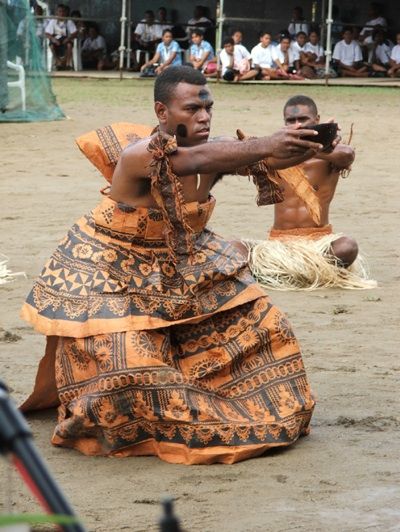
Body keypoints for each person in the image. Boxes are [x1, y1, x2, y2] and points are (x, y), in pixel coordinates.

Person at [21, 66, 322, 465]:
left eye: (208, 107)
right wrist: (269, 143)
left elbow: (229, 155)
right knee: (128, 372)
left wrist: (306, 144)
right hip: (109, 273)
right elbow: (195, 159)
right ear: (162, 112)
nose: (204, 116)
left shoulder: (213, 153)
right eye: (192, 108)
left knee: (271, 325)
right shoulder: (139, 156)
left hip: (177, 267)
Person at [249, 95, 376, 291]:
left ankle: (286, 273)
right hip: (279, 245)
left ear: (317, 120)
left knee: (347, 247)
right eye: (291, 121)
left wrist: (315, 144)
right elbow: (240, 153)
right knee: (234, 250)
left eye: (303, 119)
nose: (297, 125)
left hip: (319, 245)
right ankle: (298, 271)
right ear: (284, 124)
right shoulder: (274, 153)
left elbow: (348, 155)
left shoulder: (332, 154)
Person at [45, 3, 77, 70]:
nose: (61, 13)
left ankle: (68, 64)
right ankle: (58, 61)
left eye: (63, 11)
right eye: (60, 11)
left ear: (65, 12)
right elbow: (47, 33)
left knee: (69, 45)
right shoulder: (53, 21)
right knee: (51, 46)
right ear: (57, 12)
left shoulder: (69, 21)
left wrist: (68, 38)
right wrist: (53, 39)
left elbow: (74, 33)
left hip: (66, 38)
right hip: (56, 39)